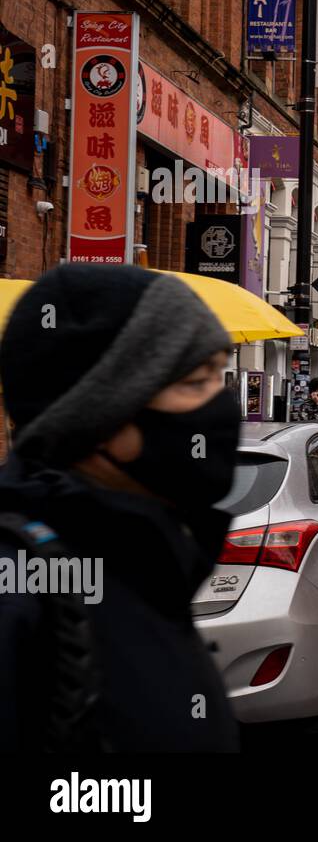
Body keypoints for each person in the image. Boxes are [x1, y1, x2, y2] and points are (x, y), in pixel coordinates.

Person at [0, 265, 241, 751]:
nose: (223, 405)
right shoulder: (21, 593)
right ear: (99, 419)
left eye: (221, 375)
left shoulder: (147, 560)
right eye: (196, 380)